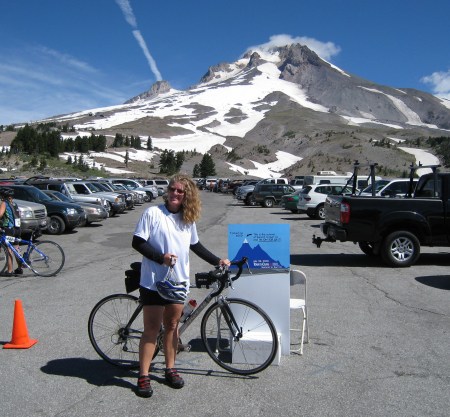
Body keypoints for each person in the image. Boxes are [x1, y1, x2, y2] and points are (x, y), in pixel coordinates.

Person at [132, 175, 230, 398]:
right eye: (173, 189)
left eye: (181, 191)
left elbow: (195, 245)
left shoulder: (188, 219)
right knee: (151, 329)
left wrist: (217, 260)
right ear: (167, 191)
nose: (175, 194)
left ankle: (170, 368)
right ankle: (144, 375)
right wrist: (160, 258)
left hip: (178, 282)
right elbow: (137, 242)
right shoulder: (152, 213)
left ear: (188, 195)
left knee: (172, 326)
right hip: (154, 281)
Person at [0, 188, 22, 276]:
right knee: (16, 248)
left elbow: (0, 214)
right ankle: (19, 268)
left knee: (9, 249)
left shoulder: (4, 203)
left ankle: (9, 270)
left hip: (9, 229)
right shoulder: (14, 204)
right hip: (17, 228)